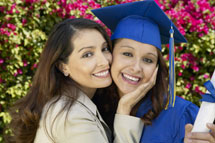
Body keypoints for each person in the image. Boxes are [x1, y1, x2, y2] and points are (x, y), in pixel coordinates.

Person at [92, 0, 215, 142]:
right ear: (109, 54)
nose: (136, 68)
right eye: (127, 54)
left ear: (157, 67)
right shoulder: (92, 107)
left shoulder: (180, 115)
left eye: (148, 60)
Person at [6, 18, 144, 143]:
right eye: (87, 54)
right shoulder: (72, 117)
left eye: (105, 49)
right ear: (63, 66)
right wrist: (124, 109)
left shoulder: (74, 104)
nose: (104, 61)